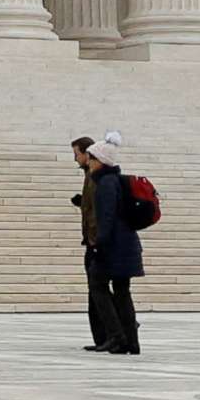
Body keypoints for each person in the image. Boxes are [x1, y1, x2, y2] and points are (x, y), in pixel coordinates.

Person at [78, 132, 143, 355]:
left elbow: (105, 219)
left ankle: (115, 337)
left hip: (112, 247)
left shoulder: (105, 183)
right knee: (122, 292)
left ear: (100, 161)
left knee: (98, 287)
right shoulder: (116, 180)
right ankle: (131, 342)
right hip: (127, 246)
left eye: (92, 158)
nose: (90, 163)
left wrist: (98, 246)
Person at [70, 136, 117, 353]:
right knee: (95, 291)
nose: (76, 159)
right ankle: (103, 337)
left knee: (98, 289)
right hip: (93, 240)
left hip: (97, 242)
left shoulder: (98, 178)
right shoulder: (91, 176)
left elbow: (101, 213)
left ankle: (116, 330)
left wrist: (95, 241)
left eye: (77, 154)